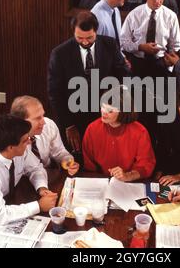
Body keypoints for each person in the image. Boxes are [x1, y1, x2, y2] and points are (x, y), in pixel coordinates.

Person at [48, 10, 130, 155]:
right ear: (73, 32)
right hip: (74, 118)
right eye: (80, 38)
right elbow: (55, 93)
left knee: (107, 155)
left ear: (96, 31)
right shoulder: (59, 54)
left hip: (106, 114)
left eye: (90, 37)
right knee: (78, 157)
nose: (85, 42)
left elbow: (124, 75)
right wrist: (69, 125)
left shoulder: (109, 45)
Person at [0, 114, 58, 226]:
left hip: (8, 200)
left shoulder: (13, 146)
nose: (29, 142)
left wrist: (41, 187)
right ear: (10, 148)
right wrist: (38, 206)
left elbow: (36, 168)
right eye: (25, 140)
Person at [82, 86, 156, 181]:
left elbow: (146, 164)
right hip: (101, 181)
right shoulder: (92, 129)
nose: (104, 112)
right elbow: (89, 164)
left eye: (110, 110)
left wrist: (128, 176)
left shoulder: (140, 131)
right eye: (103, 106)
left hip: (131, 182)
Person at [120, 0, 180, 78]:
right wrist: (140, 47)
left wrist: (169, 67)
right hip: (137, 65)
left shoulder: (171, 17)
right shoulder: (134, 15)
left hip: (161, 65)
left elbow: (175, 46)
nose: (158, 1)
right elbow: (123, 42)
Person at [10, 95, 79, 175]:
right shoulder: (10, 140)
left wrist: (68, 161)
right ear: (21, 122)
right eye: (38, 118)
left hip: (46, 176)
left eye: (43, 115)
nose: (44, 122)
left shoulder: (49, 126)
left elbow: (59, 152)